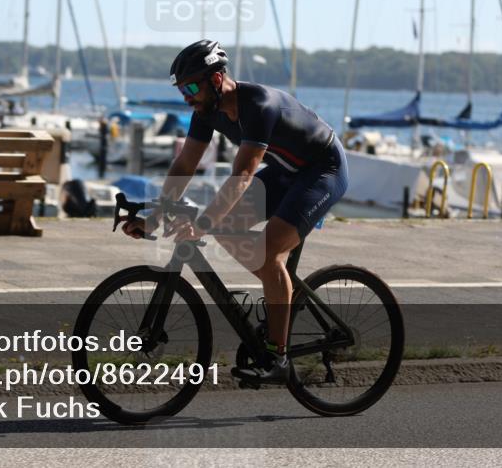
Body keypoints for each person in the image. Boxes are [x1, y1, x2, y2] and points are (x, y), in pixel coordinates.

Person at [121, 40, 349, 383]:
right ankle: (280, 300)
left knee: (269, 252)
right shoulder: (205, 111)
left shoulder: (259, 106)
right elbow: (185, 163)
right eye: (182, 89)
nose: (187, 96)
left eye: (192, 87)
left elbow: (243, 174)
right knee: (225, 230)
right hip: (287, 173)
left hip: (322, 171)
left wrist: (203, 223)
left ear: (215, 80)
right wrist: (154, 217)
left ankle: (279, 358)